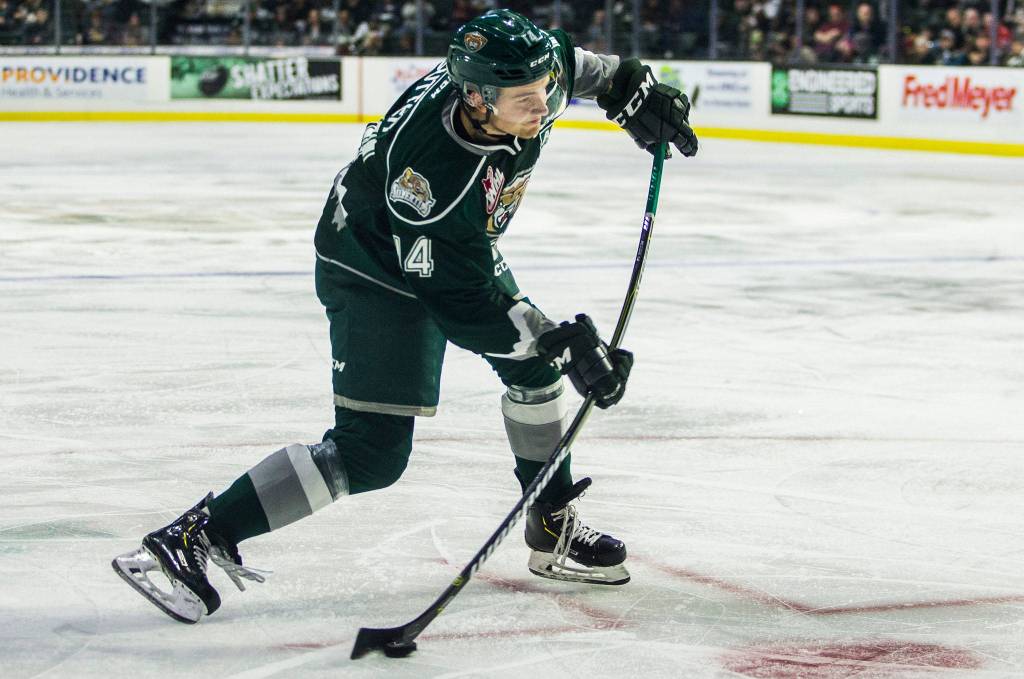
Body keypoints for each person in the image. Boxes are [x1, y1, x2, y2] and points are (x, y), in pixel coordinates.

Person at [112, 8, 697, 624]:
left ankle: (550, 524)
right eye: (525, 99)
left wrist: (631, 88)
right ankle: (194, 538)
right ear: (475, 97)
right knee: (371, 454)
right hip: (373, 268)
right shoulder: (429, 176)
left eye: (545, 91)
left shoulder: (522, 74)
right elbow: (466, 307)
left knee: (533, 377)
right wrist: (559, 341)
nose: (543, 107)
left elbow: (576, 67)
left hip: (452, 251)